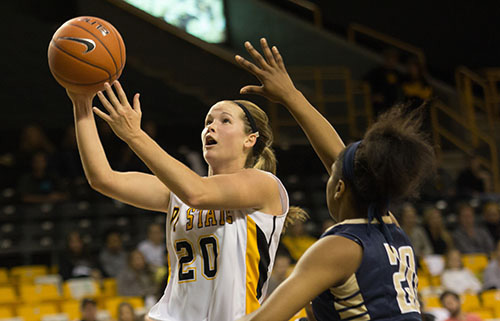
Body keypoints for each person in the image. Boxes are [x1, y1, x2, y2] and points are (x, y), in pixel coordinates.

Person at [66, 76, 306, 320]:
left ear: (249, 139)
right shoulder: (179, 192)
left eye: (225, 121)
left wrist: (134, 135)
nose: (211, 127)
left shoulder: (263, 184)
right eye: (208, 121)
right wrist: (81, 104)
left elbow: (197, 193)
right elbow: (103, 178)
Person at [235, 38, 435, 321]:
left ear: (340, 188)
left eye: (332, 177)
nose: (330, 175)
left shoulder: (339, 247)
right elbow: (342, 162)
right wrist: (290, 95)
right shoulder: (391, 227)